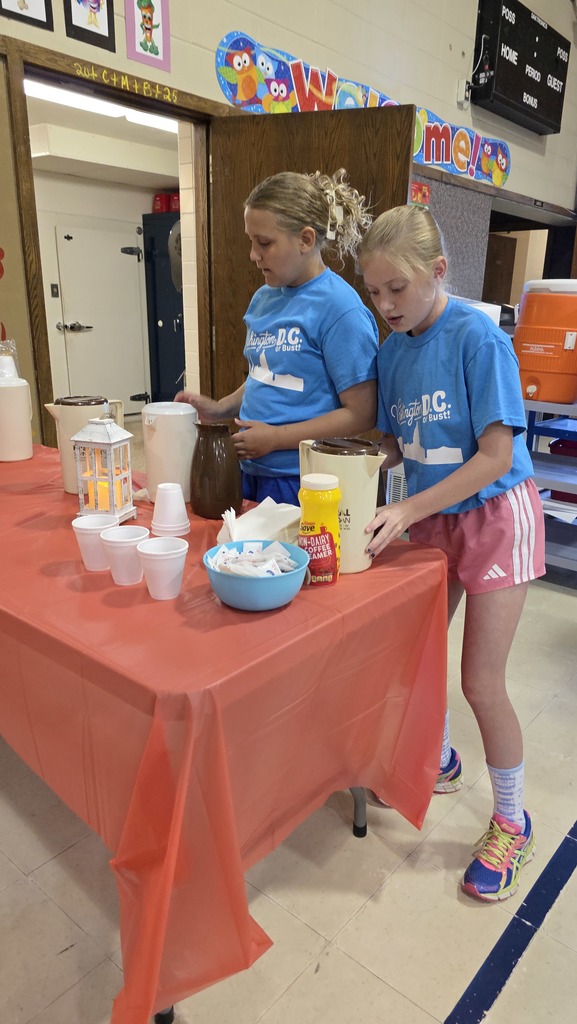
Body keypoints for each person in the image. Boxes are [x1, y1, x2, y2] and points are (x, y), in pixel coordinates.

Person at [357, 204, 545, 902]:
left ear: (437, 272)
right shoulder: (390, 350)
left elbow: (495, 454)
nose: (384, 305)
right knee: (413, 656)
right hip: (434, 519)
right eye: (373, 292)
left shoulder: (476, 338)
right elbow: (391, 445)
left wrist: (407, 507)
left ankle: (510, 819)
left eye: (396, 289)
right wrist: (351, 480)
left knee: (479, 682)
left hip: (495, 516)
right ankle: (435, 758)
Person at [175, 169, 379, 504]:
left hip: (303, 480)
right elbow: (265, 374)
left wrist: (277, 438)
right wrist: (219, 408)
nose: (254, 255)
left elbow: (362, 414)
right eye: (251, 242)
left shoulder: (340, 309)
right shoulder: (263, 298)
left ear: (306, 239)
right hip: (250, 470)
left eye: (265, 243)